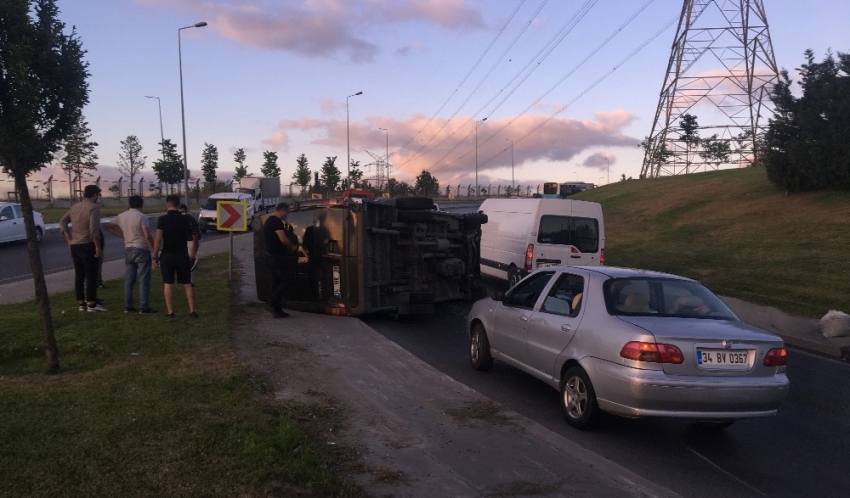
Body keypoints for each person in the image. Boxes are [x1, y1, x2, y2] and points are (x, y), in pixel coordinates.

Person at [105, 195, 156, 313]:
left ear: (129, 204)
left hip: (128, 248)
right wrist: (154, 249)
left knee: (129, 279)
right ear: (141, 205)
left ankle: (128, 306)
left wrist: (122, 235)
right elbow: (147, 236)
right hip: (141, 248)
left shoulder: (121, 216)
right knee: (144, 278)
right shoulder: (142, 217)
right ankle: (144, 306)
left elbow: (109, 227)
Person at [59, 185, 106, 312]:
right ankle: (91, 304)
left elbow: (63, 222)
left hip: (75, 245)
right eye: (98, 195)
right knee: (91, 274)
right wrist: (97, 247)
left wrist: (68, 239)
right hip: (87, 244)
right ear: (95, 195)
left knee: (79, 274)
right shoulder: (93, 208)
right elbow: (94, 231)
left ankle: (81, 303)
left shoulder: (74, 207)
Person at [152, 195, 199, 319]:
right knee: (187, 283)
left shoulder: (162, 219)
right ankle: (192, 310)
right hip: (182, 254)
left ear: (168, 205)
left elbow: (158, 239)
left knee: (168, 283)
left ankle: (170, 311)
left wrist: (155, 256)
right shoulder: (186, 219)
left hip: (167, 255)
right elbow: (193, 236)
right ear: (179, 205)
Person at [262, 202, 298, 318]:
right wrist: (291, 246)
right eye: (286, 213)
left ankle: (277, 310)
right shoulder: (276, 222)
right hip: (277, 257)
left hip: (271, 256)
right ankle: (272, 303)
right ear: (283, 210)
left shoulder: (269, 221)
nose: (286, 215)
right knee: (287, 280)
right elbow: (283, 239)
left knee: (276, 282)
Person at [179, 204, 201, 286]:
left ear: (186, 211)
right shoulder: (179, 219)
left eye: (182, 211)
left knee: (190, 262)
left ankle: (190, 281)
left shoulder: (190, 220)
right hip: (184, 241)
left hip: (190, 241)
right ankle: (185, 278)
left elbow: (196, 236)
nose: (181, 213)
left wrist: (194, 251)